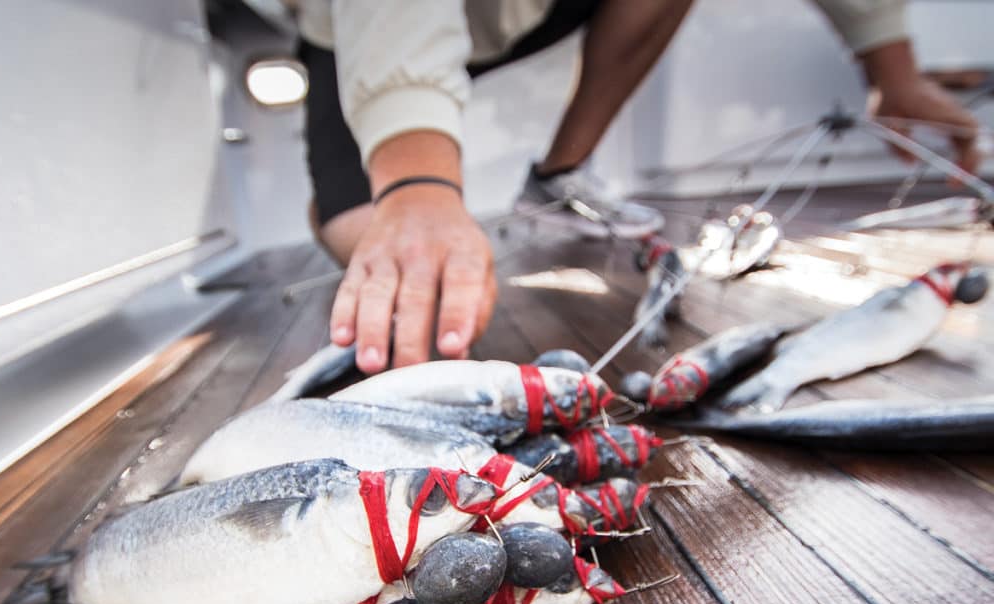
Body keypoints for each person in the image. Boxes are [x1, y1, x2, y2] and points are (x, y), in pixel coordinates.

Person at [295, 0, 982, 375]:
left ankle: (558, 175)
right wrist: (416, 186)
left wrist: (891, 69)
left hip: (523, 10)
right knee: (360, 233)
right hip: (352, 22)